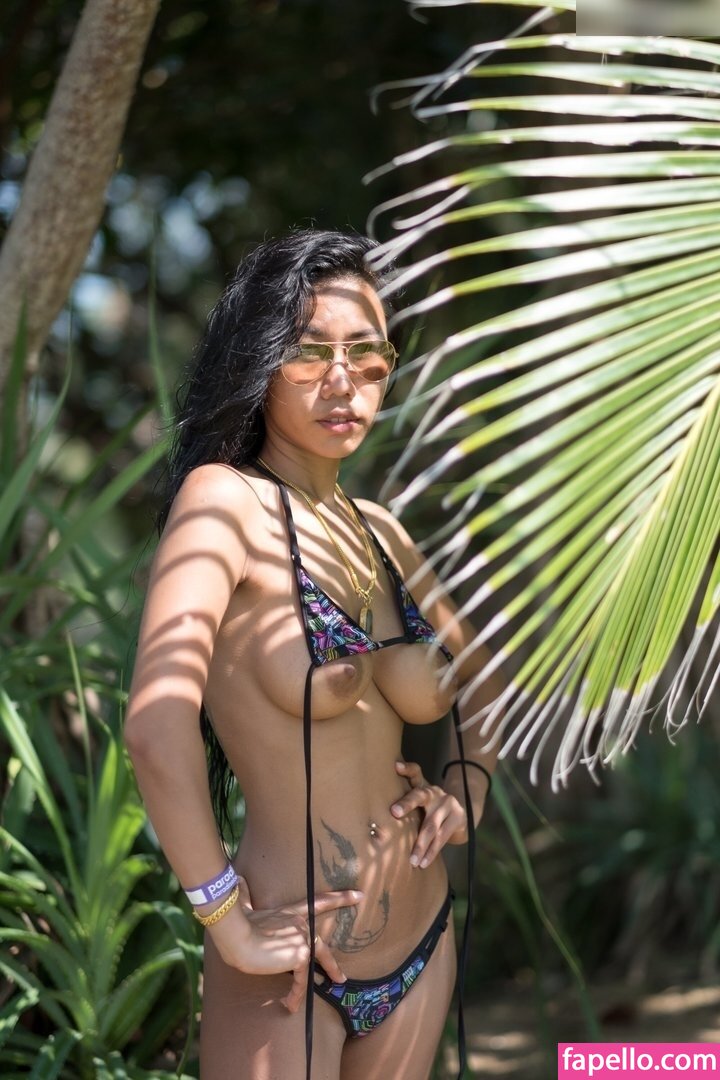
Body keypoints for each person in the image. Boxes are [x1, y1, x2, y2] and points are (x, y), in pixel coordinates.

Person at [124, 229, 502, 1080]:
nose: (343, 381)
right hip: (289, 957)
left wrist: (464, 794)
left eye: (367, 356)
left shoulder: (383, 534)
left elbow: (489, 680)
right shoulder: (224, 503)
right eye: (309, 353)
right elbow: (155, 725)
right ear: (260, 362)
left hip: (423, 935)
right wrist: (225, 919)